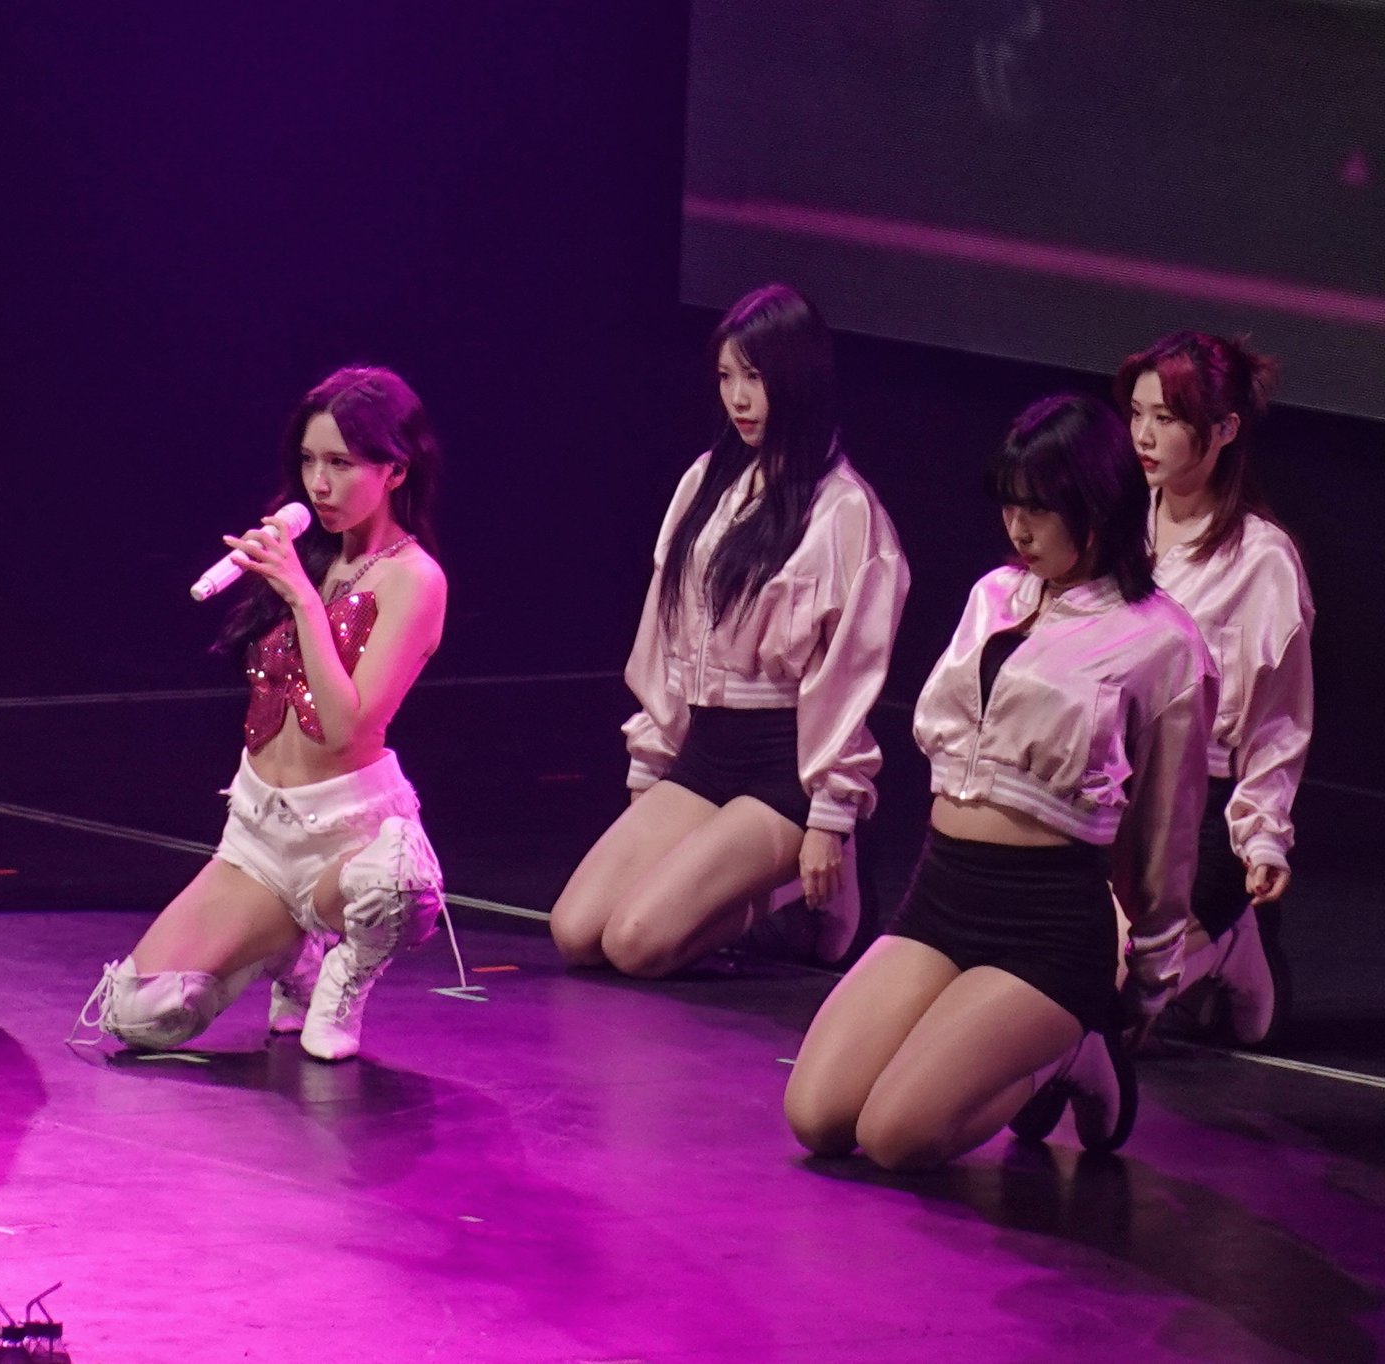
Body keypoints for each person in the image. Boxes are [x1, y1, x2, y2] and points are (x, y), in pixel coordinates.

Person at [784, 394, 1213, 1169]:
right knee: (817, 1116)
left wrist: (1150, 978)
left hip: (1048, 926)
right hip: (943, 894)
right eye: (1011, 505)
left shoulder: (1163, 643)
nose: (1018, 528)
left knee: (896, 1136)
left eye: (1039, 509)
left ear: (1096, 506)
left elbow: (1166, 837)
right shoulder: (993, 596)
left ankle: (1074, 1048)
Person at [78, 366, 449, 1063]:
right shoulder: (306, 553)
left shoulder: (414, 578)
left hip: (344, 834)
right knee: (139, 1013)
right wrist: (294, 581)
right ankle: (293, 953)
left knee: (395, 886)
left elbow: (347, 730)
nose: (319, 484)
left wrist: (304, 598)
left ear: (396, 470)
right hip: (260, 831)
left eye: (341, 463)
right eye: (308, 461)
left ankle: (343, 975)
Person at [549, 284, 908, 975]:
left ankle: (792, 896)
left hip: (784, 769)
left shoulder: (844, 511)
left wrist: (829, 817)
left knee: (635, 944)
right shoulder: (707, 481)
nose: (738, 399)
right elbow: (665, 632)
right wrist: (651, 758)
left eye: (755, 378)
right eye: (726, 377)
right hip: (706, 751)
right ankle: (744, 886)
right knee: (576, 931)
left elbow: (847, 680)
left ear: (797, 380)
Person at [1121, 333, 1312, 1047]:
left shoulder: (1261, 560)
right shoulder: (1114, 522)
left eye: (1166, 418)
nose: (1144, 435)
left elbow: (1278, 721)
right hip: (1109, 797)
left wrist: (1262, 838)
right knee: (1052, 986)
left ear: (1225, 429)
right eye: (1137, 413)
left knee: (1114, 999)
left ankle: (1233, 944)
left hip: (1201, 814)